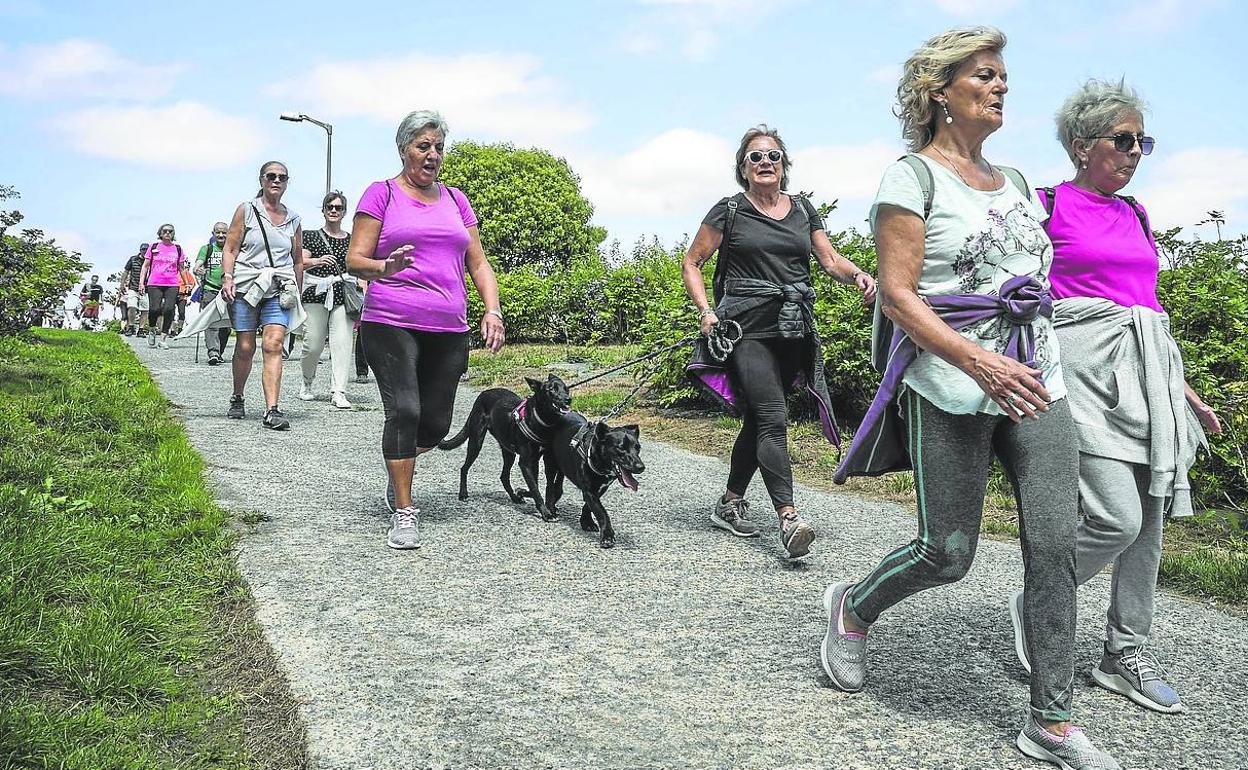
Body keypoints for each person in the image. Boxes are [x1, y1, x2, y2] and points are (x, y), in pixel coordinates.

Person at [823, 28, 1121, 770]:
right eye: (986, 76)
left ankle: (1050, 722)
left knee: (1054, 546)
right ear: (939, 93)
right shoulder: (911, 179)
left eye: (1002, 78)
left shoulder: (1019, 182)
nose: (1001, 88)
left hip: (1037, 380)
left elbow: (1038, 280)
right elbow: (898, 296)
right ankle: (853, 608)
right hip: (951, 382)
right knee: (947, 552)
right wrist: (978, 361)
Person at [1005, 79, 1221, 715]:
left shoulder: (1136, 213)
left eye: (1142, 142)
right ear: (1080, 146)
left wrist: (1181, 389)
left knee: (1148, 524)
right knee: (1115, 516)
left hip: (1147, 374)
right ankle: (1044, 596)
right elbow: (1017, 289)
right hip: (1082, 374)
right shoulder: (1044, 205)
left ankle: (1123, 653)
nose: (1134, 152)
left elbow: (1145, 307)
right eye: (1123, 140)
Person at [682, 125, 874, 559]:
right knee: (773, 415)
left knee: (760, 420)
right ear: (743, 169)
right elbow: (692, 262)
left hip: (793, 328)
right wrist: (706, 313)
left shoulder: (803, 210)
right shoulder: (728, 211)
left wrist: (859, 274)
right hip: (745, 327)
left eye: (773, 156)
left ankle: (729, 503)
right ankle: (788, 518)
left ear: (784, 165)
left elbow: (828, 260)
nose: (765, 162)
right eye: (755, 157)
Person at [346, 109, 504, 550]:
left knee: (434, 425)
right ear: (404, 150)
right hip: (391, 320)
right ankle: (403, 509)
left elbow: (478, 261)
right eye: (423, 146)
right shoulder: (381, 194)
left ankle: (398, 467)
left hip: (448, 326)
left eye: (438, 147)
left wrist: (492, 310)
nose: (432, 155)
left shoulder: (456, 199)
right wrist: (384, 265)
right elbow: (354, 258)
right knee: (406, 412)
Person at [182, 161, 304, 429]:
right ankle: (238, 396)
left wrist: (298, 288)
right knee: (246, 346)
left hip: (278, 288)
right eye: (271, 176)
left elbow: (296, 259)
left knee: (273, 344)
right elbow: (231, 249)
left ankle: (272, 409)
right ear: (261, 180)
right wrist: (227, 277)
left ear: (287, 182)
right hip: (247, 285)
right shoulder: (247, 210)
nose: (276, 181)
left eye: (282, 177)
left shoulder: (293, 219)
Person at [299, 191, 358, 409]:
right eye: (330, 207)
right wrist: (316, 261)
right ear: (323, 210)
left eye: (338, 207)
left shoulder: (352, 239)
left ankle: (339, 391)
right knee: (312, 344)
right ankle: (307, 382)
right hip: (315, 292)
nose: (334, 210)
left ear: (344, 212)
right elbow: (300, 262)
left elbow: (357, 266)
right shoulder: (310, 235)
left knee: (342, 343)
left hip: (343, 293)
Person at [139, 224, 184, 349]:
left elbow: (181, 268)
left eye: (170, 231)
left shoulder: (178, 248)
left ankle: (163, 338)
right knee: (154, 309)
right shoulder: (154, 247)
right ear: (160, 233)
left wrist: (186, 283)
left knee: (169, 309)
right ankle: (152, 329)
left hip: (172, 283)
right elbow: (145, 266)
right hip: (154, 282)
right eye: (165, 231)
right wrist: (141, 283)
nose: (167, 233)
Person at [194, 222, 232, 364]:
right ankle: (213, 353)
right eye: (218, 232)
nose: (221, 235)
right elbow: (197, 265)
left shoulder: (233, 250)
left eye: (224, 232)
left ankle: (219, 352)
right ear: (213, 233)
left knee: (226, 326)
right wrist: (198, 270)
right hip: (210, 289)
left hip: (228, 291)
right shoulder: (207, 249)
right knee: (212, 323)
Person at [120, 244, 149, 336]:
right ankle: (131, 327)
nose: (144, 251)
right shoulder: (133, 259)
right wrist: (121, 285)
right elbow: (125, 272)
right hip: (133, 287)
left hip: (146, 289)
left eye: (146, 250)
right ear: (140, 250)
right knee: (132, 306)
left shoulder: (151, 261)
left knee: (145, 309)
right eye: (143, 250)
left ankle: (141, 329)